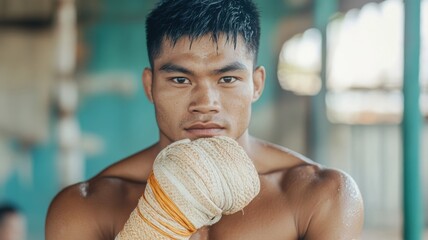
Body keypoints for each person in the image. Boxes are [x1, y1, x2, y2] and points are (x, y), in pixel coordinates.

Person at [46, 0, 364, 239]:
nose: (205, 104)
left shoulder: (320, 196)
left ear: (256, 84)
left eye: (227, 79)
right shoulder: (84, 207)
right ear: (150, 85)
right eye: (180, 80)